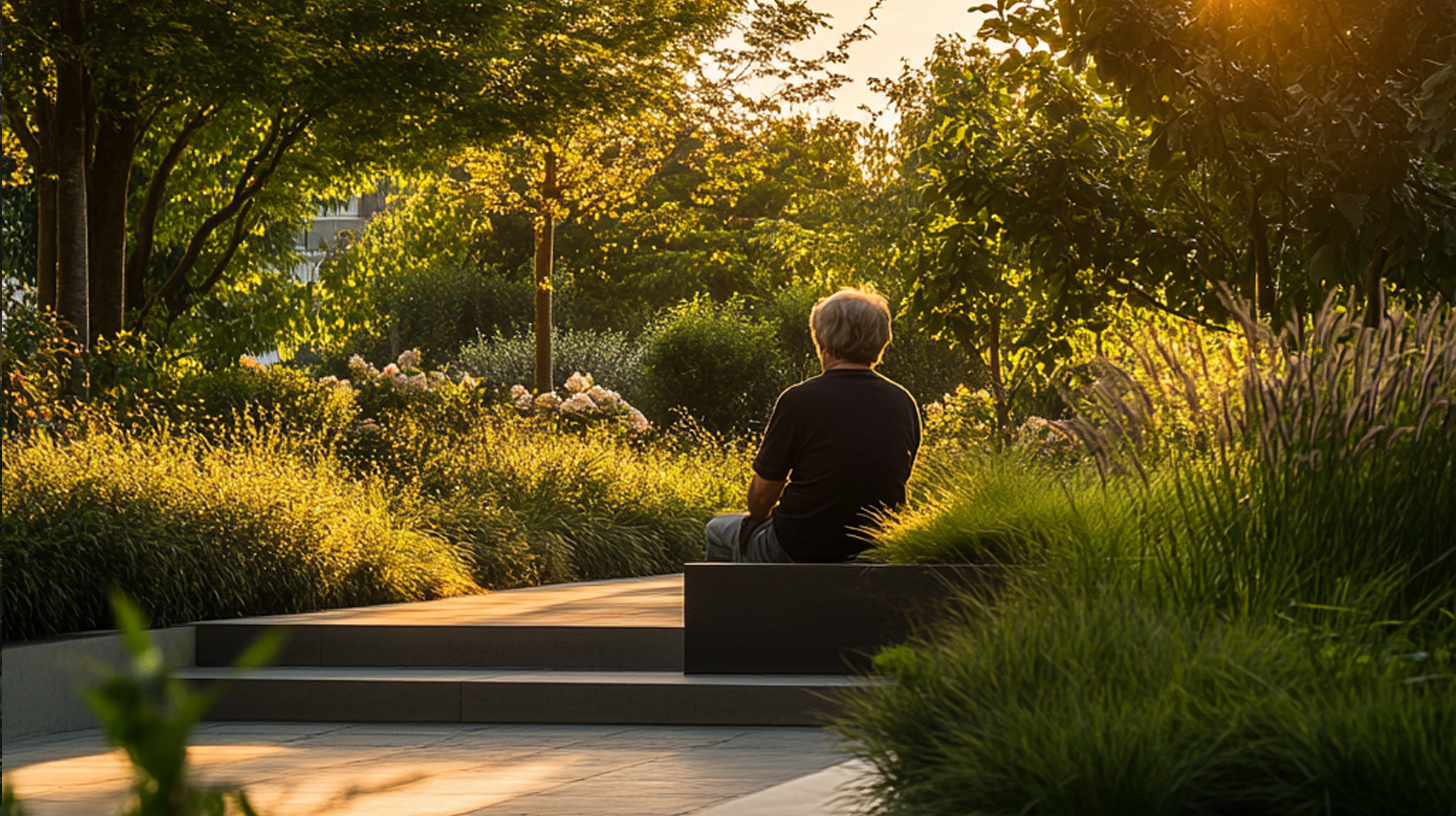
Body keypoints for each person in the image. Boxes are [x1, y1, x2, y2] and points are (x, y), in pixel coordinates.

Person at [704, 287, 921, 563]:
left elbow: (761, 499)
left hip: (799, 544)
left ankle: (737, 605)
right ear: (881, 341)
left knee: (719, 531)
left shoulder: (800, 400)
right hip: (873, 548)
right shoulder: (903, 402)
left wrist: (758, 517)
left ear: (822, 340)